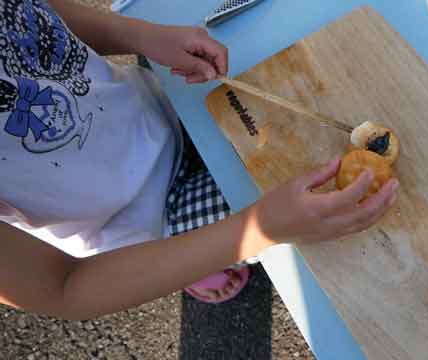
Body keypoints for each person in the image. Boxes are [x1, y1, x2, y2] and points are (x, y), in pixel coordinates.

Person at [0, 0, 398, 320]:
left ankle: (213, 249)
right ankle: (193, 259)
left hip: (158, 108)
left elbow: (30, 16)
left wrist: (139, 35)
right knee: (334, 213)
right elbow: (63, 288)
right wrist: (259, 228)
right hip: (144, 224)